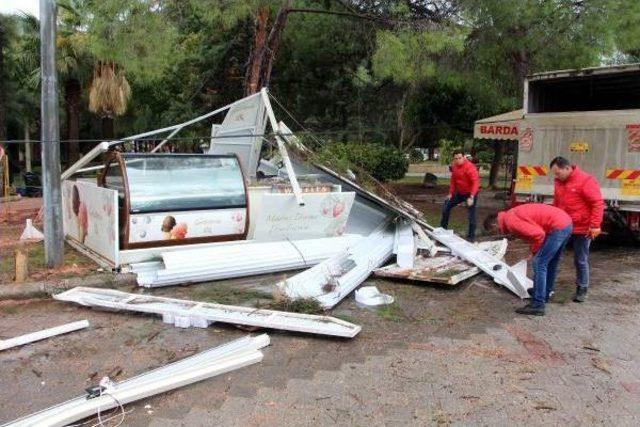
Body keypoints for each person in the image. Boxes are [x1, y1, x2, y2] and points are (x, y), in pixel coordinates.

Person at [484, 204, 573, 316]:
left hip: (557, 227)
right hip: (565, 223)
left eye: (494, 231)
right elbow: (532, 234)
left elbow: (539, 235)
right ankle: (544, 293)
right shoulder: (510, 215)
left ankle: (538, 304)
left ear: (494, 223)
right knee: (550, 262)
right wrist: (533, 251)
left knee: (539, 263)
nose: (497, 234)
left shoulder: (511, 222)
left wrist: (535, 252)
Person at [549, 156, 605, 302]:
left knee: (580, 259)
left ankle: (582, 288)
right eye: (555, 174)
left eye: (558, 173)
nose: (556, 176)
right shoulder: (559, 182)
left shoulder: (586, 180)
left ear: (567, 168)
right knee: (554, 256)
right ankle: (548, 287)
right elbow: (556, 203)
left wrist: (594, 225)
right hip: (562, 226)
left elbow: (597, 203)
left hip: (582, 228)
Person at [440, 149, 480, 241]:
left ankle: (471, 238)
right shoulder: (454, 167)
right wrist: (450, 193)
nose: (458, 160)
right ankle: (442, 231)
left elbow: (475, 183)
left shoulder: (470, 168)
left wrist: (472, 197)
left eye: (460, 158)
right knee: (446, 206)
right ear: (454, 159)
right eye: (456, 158)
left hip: (470, 194)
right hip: (460, 193)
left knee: (471, 215)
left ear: (464, 157)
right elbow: (453, 181)